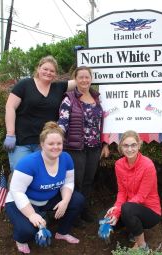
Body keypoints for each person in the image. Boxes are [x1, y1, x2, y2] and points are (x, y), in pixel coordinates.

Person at [5, 121, 85, 254]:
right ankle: (20, 239)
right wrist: (31, 215)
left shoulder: (66, 158)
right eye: (51, 144)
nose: (56, 147)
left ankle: (62, 233)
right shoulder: (28, 163)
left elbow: (68, 182)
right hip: (22, 201)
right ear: (42, 145)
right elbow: (17, 191)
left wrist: (65, 201)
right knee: (28, 231)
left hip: (48, 199)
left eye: (59, 144)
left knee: (77, 199)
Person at [3, 55, 76, 172]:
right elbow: (10, 107)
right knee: (20, 174)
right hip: (21, 142)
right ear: (38, 69)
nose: (48, 72)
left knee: (41, 176)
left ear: (55, 74)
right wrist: (10, 134)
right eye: (45, 69)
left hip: (45, 144)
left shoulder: (58, 87)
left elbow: (82, 80)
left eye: (52, 71)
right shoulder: (24, 85)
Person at [58, 66, 109, 223]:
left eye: (87, 77)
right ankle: (74, 214)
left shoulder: (96, 98)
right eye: (81, 77)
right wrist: (57, 142)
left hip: (94, 147)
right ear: (76, 79)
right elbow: (62, 122)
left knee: (88, 180)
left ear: (91, 79)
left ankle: (84, 209)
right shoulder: (69, 98)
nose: (84, 80)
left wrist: (104, 144)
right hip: (76, 148)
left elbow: (102, 123)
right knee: (76, 182)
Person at [105, 130, 161, 251]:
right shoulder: (119, 164)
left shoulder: (148, 165)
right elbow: (122, 192)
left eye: (133, 145)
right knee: (105, 218)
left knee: (126, 209)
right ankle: (132, 229)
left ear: (139, 145)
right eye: (126, 145)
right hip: (129, 208)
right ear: (121, 147)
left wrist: (119, 209)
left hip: (150, 212)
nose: (130, 149)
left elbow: (141, 197)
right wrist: (115, 212)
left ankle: (142, 246)